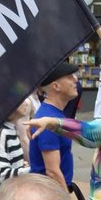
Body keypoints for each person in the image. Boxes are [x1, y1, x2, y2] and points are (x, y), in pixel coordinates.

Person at [27, 61, 79, 191]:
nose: (75, 79)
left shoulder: (54, 115)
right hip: (50, 194)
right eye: (69, 76)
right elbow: (52, 172)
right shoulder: (47, 119)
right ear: (56, 86)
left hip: (52, 192)